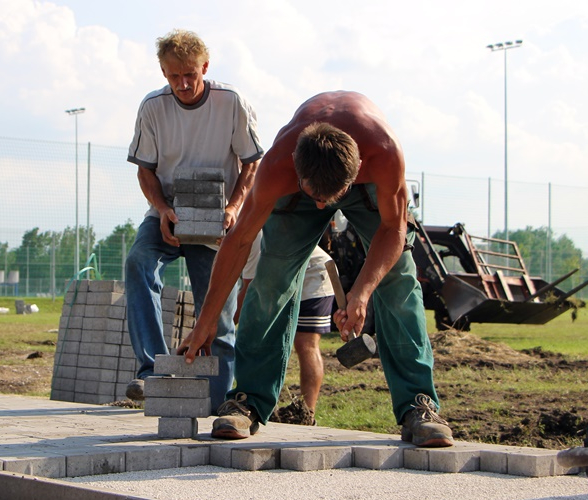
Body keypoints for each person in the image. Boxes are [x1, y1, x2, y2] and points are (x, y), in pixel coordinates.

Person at [181, 91, 453, 447]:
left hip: (364, 181)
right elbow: (238, 242)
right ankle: (247, 400)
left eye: (330, 198)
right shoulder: (278, 165)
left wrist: (362, 293)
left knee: (399, 279)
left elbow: (393, 230)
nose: (323, 206)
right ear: (296, 162)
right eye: (316, 197)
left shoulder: (384, 153)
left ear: (356, 168)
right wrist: (207, 320)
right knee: (272, 280)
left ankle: (420, 406)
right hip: (298, 184)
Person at [124, 29, 263, 413]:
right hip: (168, 212)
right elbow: (146, 171)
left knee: (217, 313)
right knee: (138, 261)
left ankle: (218, 403)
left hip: (216, 221)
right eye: (173, 77)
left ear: (205, 66)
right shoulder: (153, 107)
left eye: (190, 74)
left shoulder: (230, 102)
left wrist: (234, 207)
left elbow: (252, 162)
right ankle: (151, 370)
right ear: (163, 73)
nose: (183, 84)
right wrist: (163, 209)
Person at [236, 230, 335, 423]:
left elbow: (248, 291)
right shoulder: (241, 241)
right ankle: (265, 404)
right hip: (288, 274)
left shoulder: (253, 238)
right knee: (272, 338)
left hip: (314, 273)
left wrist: (224, 327)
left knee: (306, 343)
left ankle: (307, 413)